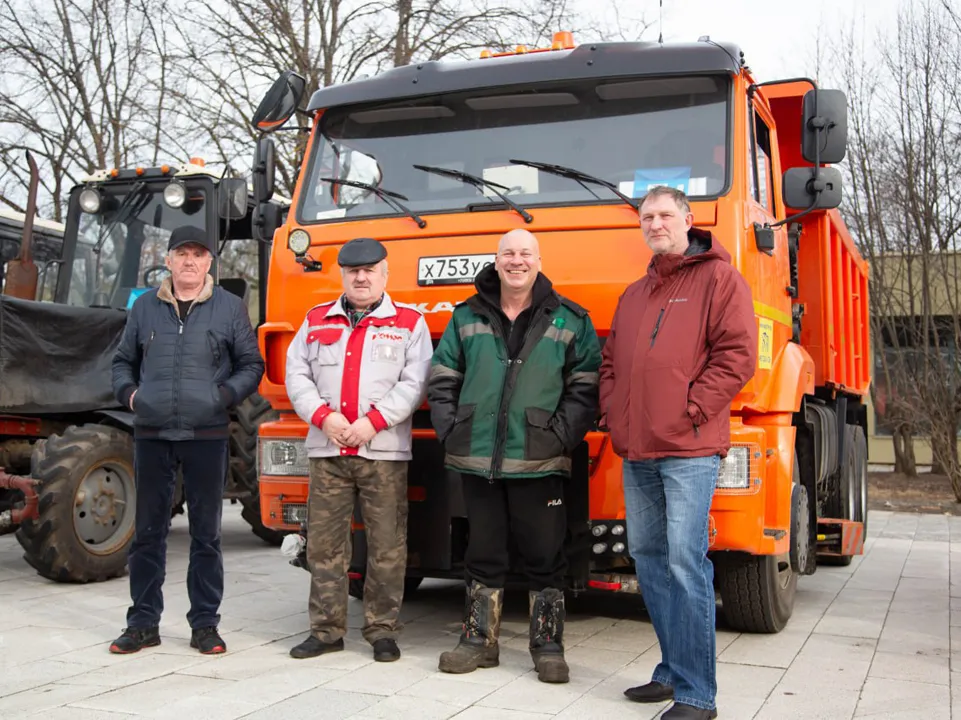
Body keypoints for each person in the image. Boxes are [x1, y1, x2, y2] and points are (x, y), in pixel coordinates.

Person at [599, 186, 757, 720]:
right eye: (647, 217)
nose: (656, 223)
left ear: (688, 219)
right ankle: (670, 671)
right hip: (638, 450)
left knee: (687, 563)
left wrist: (691, 411)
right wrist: (616, 415)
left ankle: (696, 695)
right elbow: (610, 365)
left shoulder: (719, 279)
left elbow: (738, 356)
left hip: (689, 449)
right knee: (648, 559)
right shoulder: (634, 293)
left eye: (666, 214)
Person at [428, 228, 601, 684]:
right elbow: (442, 376)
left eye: (525, 253)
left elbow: (586, 386)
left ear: (539, 261)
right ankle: (477, 641)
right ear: (497, 260)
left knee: (546, 555)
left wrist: (561, 435)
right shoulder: (465, 316)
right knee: (482, 552)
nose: (516, 261)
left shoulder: (569, 319)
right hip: (477, 458)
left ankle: (548, 646)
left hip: (540, 458)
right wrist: (451, 428)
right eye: (508, 253)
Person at [110, 225, 265, 655]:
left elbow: (252, 364)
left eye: (198, 254)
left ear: (209, 261)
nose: (190, 261)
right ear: (169, 259)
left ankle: (204, 625)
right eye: (182, 253)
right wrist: (133, 396)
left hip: (207, 435)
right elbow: (122, 361)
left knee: (206, 535)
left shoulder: (229, 307)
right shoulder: (144, 308)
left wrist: (222, 397)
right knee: (147, 533)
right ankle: (142, 623)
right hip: (152, 434)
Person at [284, 237, 432, 662]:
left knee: (388, 545)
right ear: (343, 275)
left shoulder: (408, 322)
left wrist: (372, 423)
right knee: (324, 547)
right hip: (327, 451)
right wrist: (324, 418)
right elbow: (297, 376)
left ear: (385, 274)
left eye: (370, 270)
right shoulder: (315, 320)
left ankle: (382, 630)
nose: (361, 277)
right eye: (353, 271)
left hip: (382, 453)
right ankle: (325, 631)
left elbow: (415, 382)